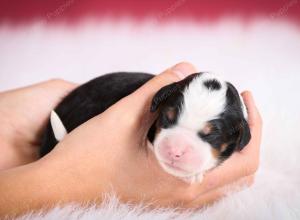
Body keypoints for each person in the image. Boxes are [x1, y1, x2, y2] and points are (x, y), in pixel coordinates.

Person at [0, 62, 262, 217]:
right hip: (73, 118)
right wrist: (68, 180)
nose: (176, 149)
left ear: (238, 136)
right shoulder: (151, 103)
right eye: (168, 122)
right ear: (161, 104)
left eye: (207, 136)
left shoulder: (234, 128)